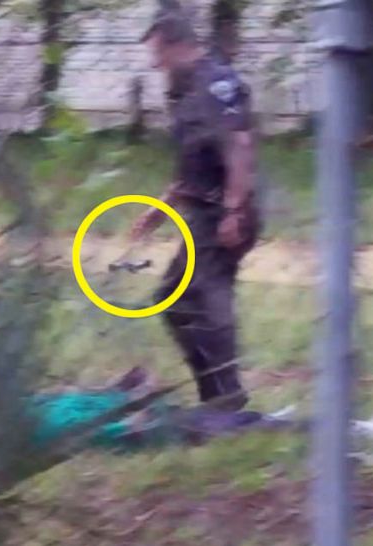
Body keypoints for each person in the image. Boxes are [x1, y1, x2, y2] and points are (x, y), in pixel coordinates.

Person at [129, 1, 261, 411]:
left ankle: (227, 399)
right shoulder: (187, 95)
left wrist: (234, 210)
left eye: (158, 56)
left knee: (200, 299)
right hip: (202, 215)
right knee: (175, 301)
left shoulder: (218, 85)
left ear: (176, 45)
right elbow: (191, 168)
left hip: (225, 215)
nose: (156, 66)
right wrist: (160, 209)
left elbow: (240, 146)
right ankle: (217, 395)